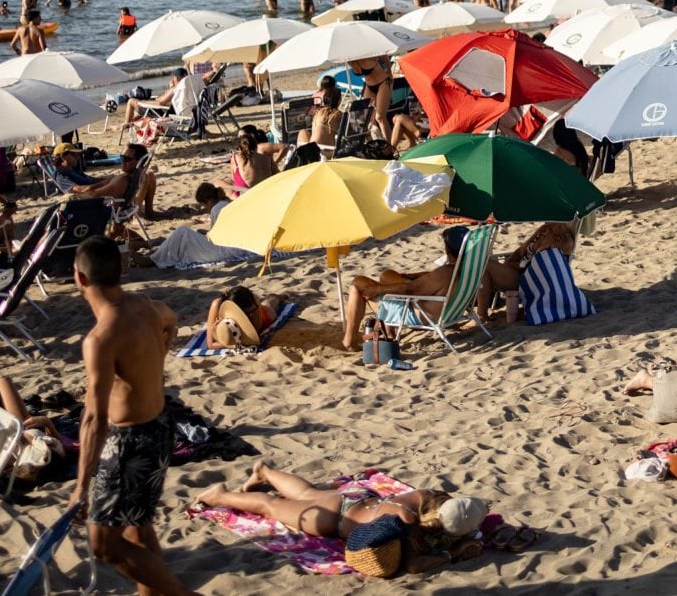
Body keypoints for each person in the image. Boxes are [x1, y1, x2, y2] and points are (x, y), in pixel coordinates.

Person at [70, 237, 191, 596]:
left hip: (131, 442)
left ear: (80, 278)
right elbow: (172, 319)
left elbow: (94, 418)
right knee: (138, 525)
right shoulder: (144, 305)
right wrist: (161, 353)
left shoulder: (100, 338)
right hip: (159, 426)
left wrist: (80, 487)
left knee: (104, 543)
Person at [195, 467, 490, 573]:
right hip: (332, 521)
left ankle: (266, 473)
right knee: (270, 507)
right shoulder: (408, 524)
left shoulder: (426, 495)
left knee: (308, 492)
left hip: (356, 498)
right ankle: (221, 495)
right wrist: (452, 553)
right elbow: (413, 566)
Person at [342, 225, 466, 350]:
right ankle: (389, 332)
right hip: (447, 313)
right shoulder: (469, 269)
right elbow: (429, 280)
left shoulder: (446, 272)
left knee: (358, 283)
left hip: (417, 315)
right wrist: (409, 276)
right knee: (387, 275)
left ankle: (349, 342)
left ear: (449, 252)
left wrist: (377, 289)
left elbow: (410, 290)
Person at [476, 222, 576, 327]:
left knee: (484, 266)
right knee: (481, 265)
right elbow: (522, 251)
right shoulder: (545, 229)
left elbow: (546, 268)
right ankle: (476, 310)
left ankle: (481, 316)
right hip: (519, 271)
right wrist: (511, 263)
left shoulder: (564, 239)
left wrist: (516, 265)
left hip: (530, 279)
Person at [203, 285, 281, 351]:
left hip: (261, 316)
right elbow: (211, 345)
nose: (247, 315)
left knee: (270, 305)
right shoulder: (217, 304)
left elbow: (255, 333)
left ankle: (278, 297)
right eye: (244, 312)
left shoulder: (254, 300)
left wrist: (221, 339)